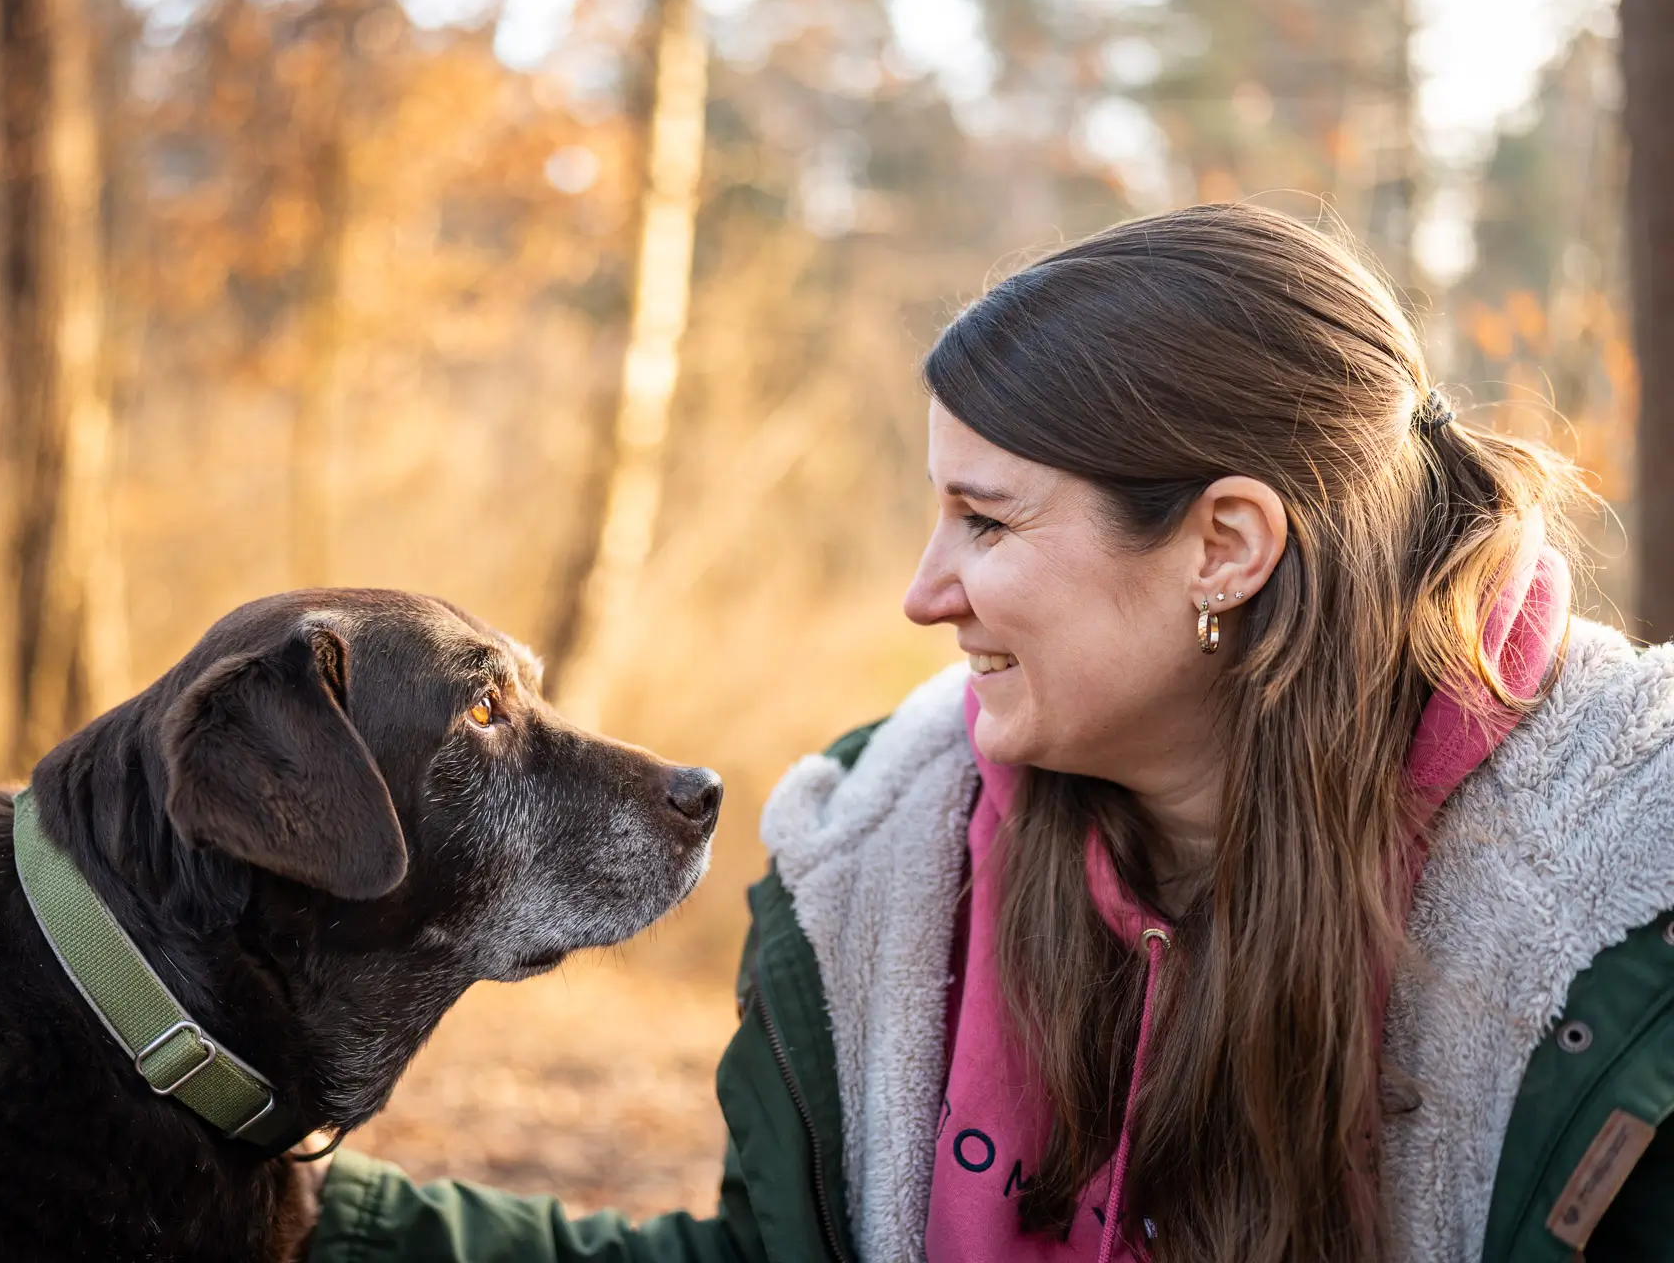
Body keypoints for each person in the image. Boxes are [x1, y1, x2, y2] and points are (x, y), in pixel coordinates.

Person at [304, 204, 1674, 1262]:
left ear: (1224, 547)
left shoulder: (1628, 917)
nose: (924, 592)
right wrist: (306, 1221)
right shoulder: (885, 860)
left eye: (987, 520)